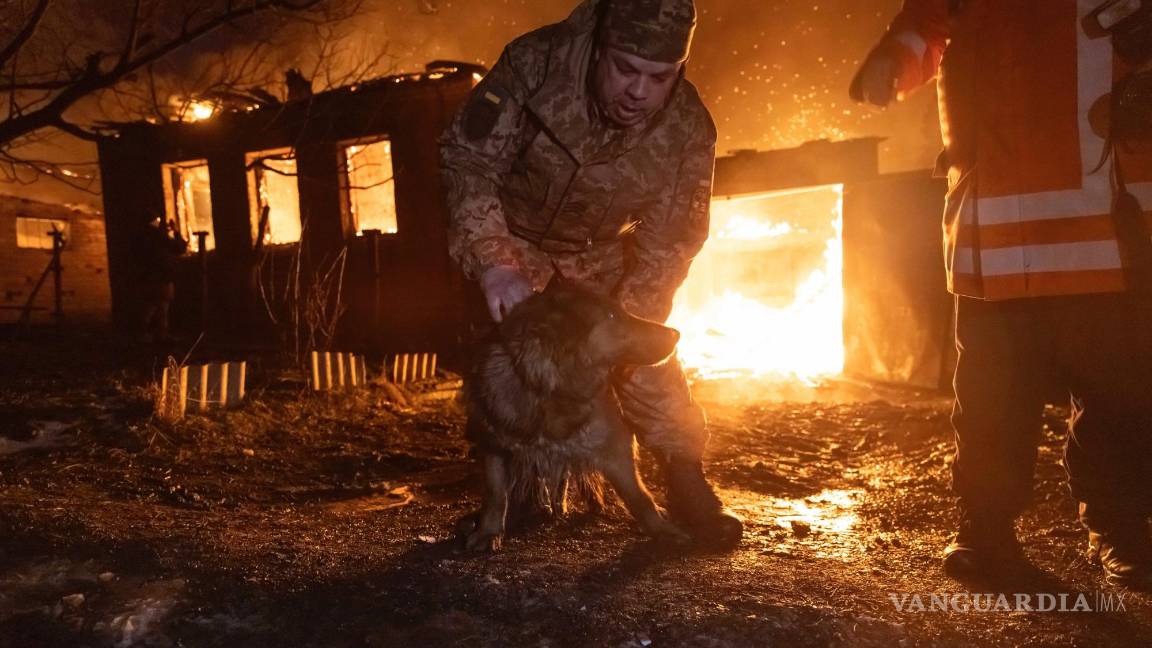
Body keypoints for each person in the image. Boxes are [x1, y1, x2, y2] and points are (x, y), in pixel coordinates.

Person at [852, 0, 1152, 586]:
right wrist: (895, 60)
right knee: (993, 392)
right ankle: (985, 533)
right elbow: (930, 18)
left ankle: (1120, 529)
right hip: (1001, 211)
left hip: (1109, 211)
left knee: (1120, 384)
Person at [439, 0, 743, 547]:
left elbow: (674, 236)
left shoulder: (687, 127)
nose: (640, 91)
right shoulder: (535, 65)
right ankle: (522, 492)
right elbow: (468, 160)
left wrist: (634, 317)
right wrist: (495, 261)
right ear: (601, 47)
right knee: (511, 364)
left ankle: (685, 478)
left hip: (601, 253)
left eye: (659, 76)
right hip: (515, 240)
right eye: (626, 68)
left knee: (644, 360)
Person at [138, 215, 187, 344]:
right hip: (161, 278)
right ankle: (155, 335)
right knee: (160, 306)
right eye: (157, 220)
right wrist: (176, 231)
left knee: (152, 306)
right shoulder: (158, 237)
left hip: (149, 278)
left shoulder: (142, 238)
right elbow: (180, 247)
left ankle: (150, 335)